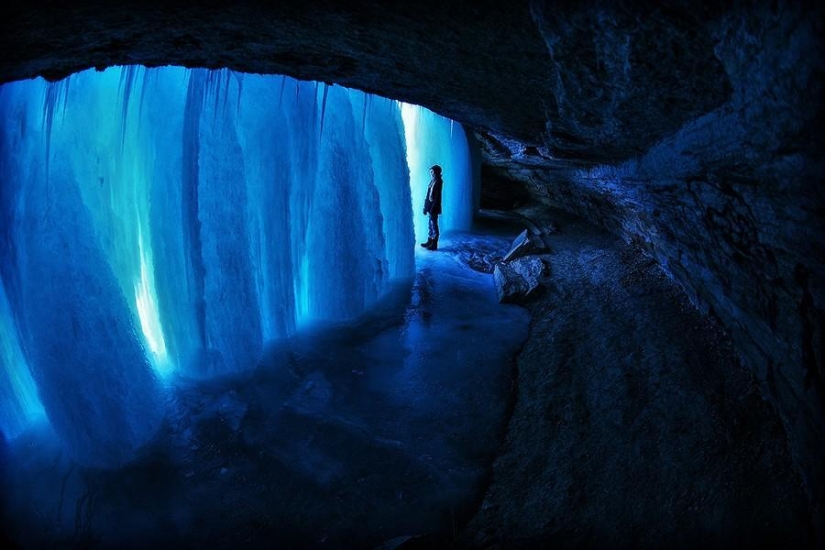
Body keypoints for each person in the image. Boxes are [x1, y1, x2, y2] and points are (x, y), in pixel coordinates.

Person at [421, 165, 443, 251]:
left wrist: (433, 208)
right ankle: (430, 240)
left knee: (433, 224)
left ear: (436, 172)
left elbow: (437, 197)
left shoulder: (438, 182)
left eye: (432, 172)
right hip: (430, 206)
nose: (431, 173)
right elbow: (428, 195)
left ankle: (434, 243)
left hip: (434, 207)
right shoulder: (432, 182)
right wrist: (425, 207)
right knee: (430, 224)